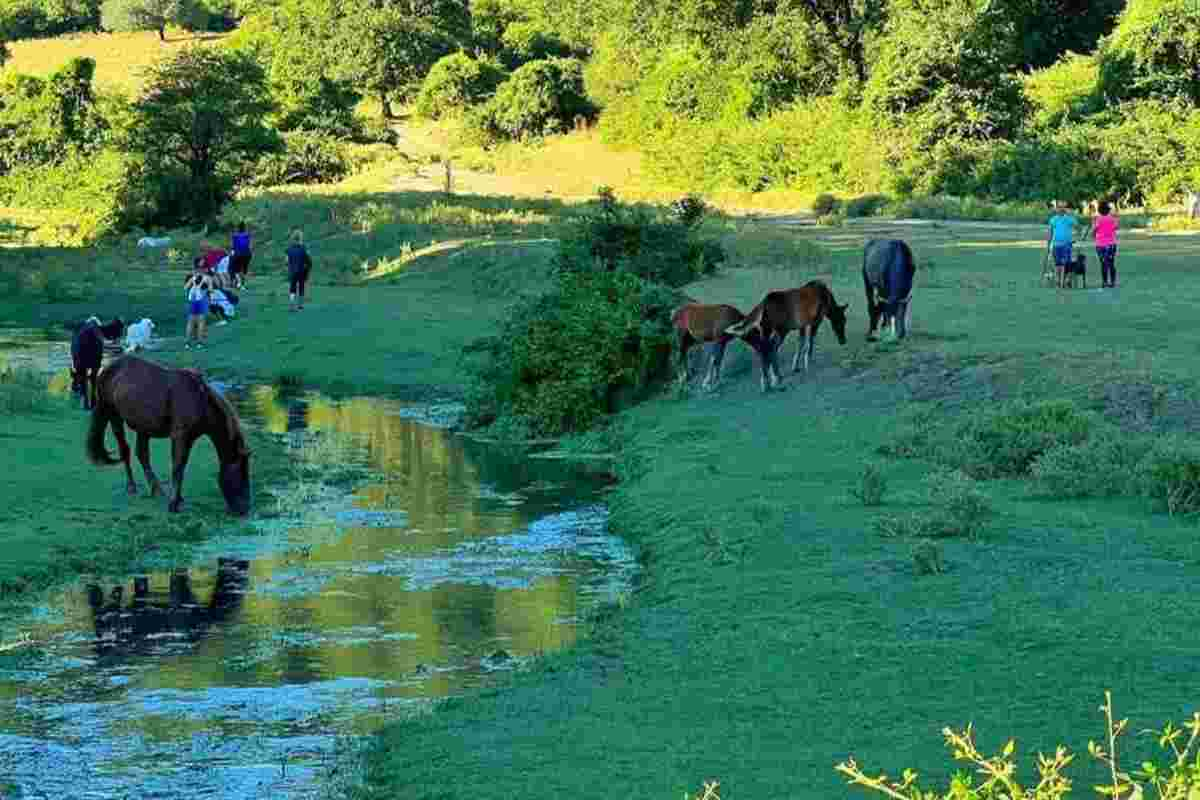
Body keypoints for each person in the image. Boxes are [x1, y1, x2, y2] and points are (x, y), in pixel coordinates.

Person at [1047, 202, 1080, 289]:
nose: (1061, 209)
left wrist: (1076, 237)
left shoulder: (1069, 219)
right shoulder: (1053, 219)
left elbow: (1078, 227)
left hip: (1067, 244)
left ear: (1065, 209)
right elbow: (1050, 233)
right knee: (1057, 264)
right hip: (1056, 245)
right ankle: (1058, 281)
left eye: (1063, 207)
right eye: (1059, 207)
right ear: (1056, 209)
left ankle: (1066, 281)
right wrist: (1048, 243)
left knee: (1067, 264)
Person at [1089, 200, 1119, 288]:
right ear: (1108, 210)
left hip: (1101, 244)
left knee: (1103, 263)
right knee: (1111, 263)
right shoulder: (1112, 219)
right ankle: (1113, 282)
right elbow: (1116, 227)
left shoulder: (1098, 219)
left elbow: (1093, 231)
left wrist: (1094, 233)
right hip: (1112, 244)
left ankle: (1105, 282)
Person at [184, 267, 214, 349]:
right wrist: (207, 289)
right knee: (201, 322)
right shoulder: (208, 278)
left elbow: (185, 288)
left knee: (190, 322)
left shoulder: (192, 278)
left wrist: (193, 285)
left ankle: (187, 343)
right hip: (202, 300)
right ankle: (199, 343)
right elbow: (211, 290)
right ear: (204, 270)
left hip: (192, 300)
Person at [286, 229, 312, 311]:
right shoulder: (303, 248)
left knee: (292, 287)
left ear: (293, 238)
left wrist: (290, 267)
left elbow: (286, 261)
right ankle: (300, 305)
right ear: (300, 238)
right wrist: (308, 267)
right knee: (301, 287)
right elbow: (308, 260)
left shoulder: (289, 249)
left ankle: (291, 304)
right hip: (301, 271)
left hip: (292, 271)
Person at [230, 221, 252, 289]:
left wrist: (232, 252)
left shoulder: (235, 235)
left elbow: (233, 245)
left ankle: (239, 283)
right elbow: (250, 245)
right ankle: (242, 285)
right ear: (245, 228)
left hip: (238, 254)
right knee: (244, 270)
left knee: (236, 270)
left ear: (238, 228)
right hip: (247, 254)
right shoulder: (247, 235)